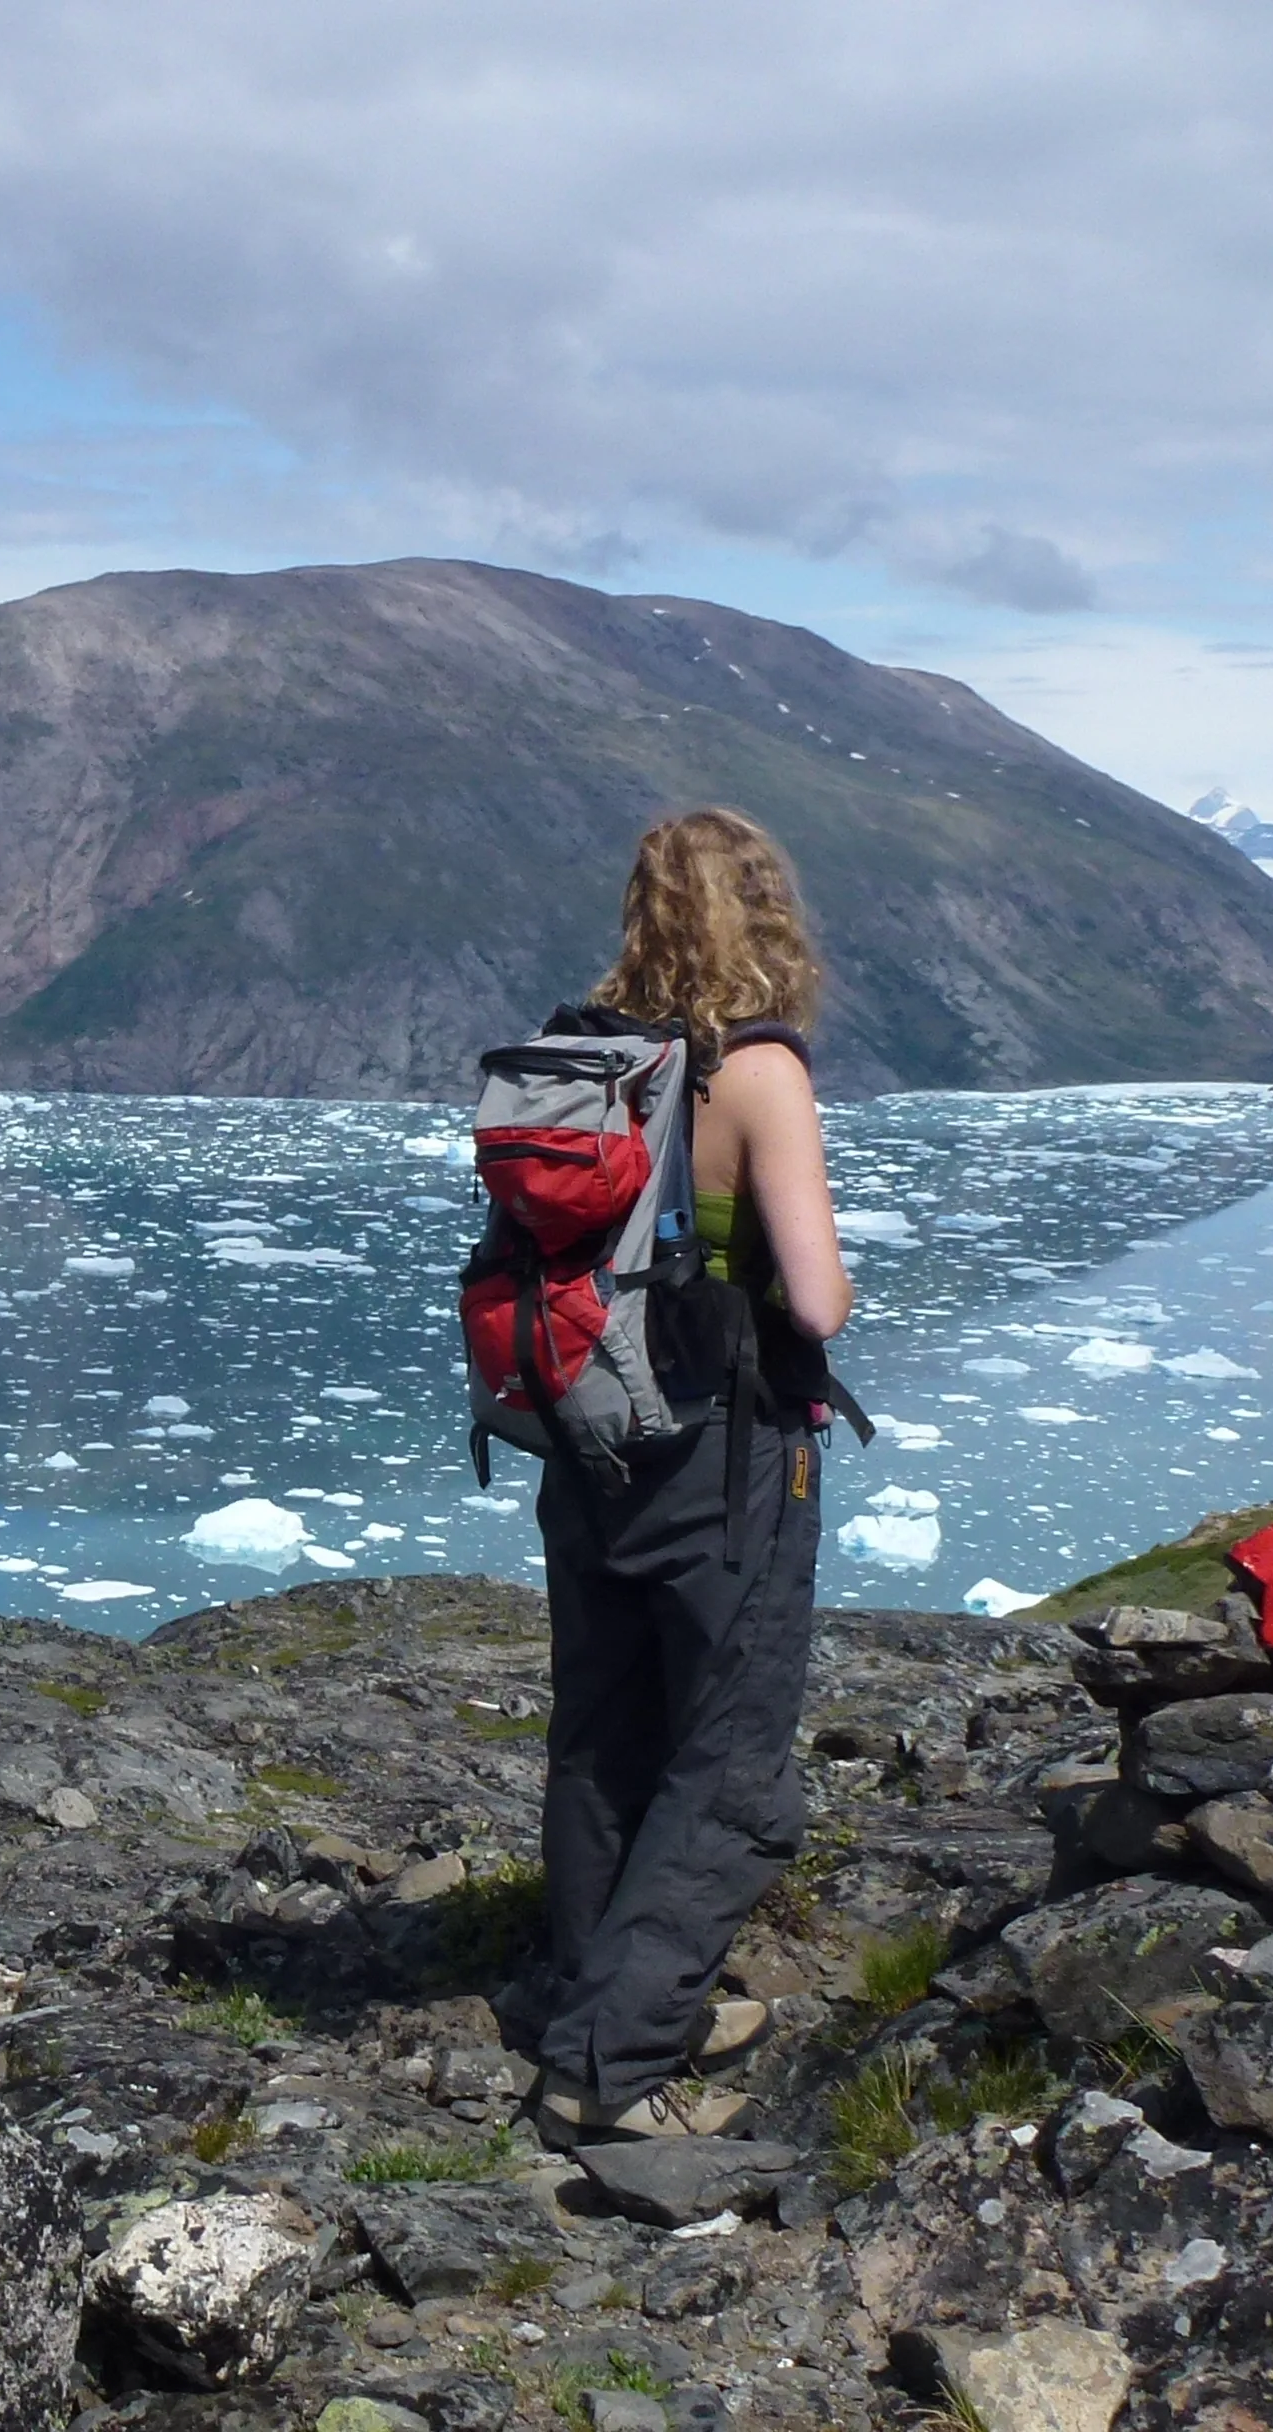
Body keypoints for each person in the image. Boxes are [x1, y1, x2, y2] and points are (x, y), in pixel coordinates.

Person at [505, 806, 859, 2145]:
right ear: (765, 912)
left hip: (585, 1436)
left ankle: (573, 1998)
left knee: (607, 1731)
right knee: (732, 1768)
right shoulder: (756, 1071)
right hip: (722, 1449)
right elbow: (814, 1302)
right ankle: (613, 2063)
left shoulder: (585, 1058)